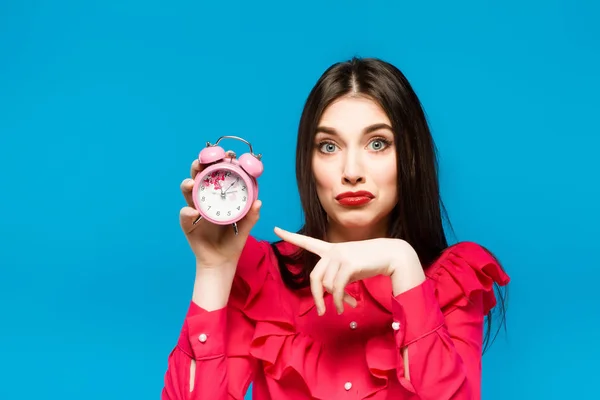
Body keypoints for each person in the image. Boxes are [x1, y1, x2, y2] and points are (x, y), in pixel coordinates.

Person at [161, 57, 510, 400]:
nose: (351, 171)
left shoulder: (453, 281)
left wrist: (402, 261)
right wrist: (214, 269)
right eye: (328, 146)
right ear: (308, 163)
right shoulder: (262, 276)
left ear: (410, 157)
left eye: (378, 143)